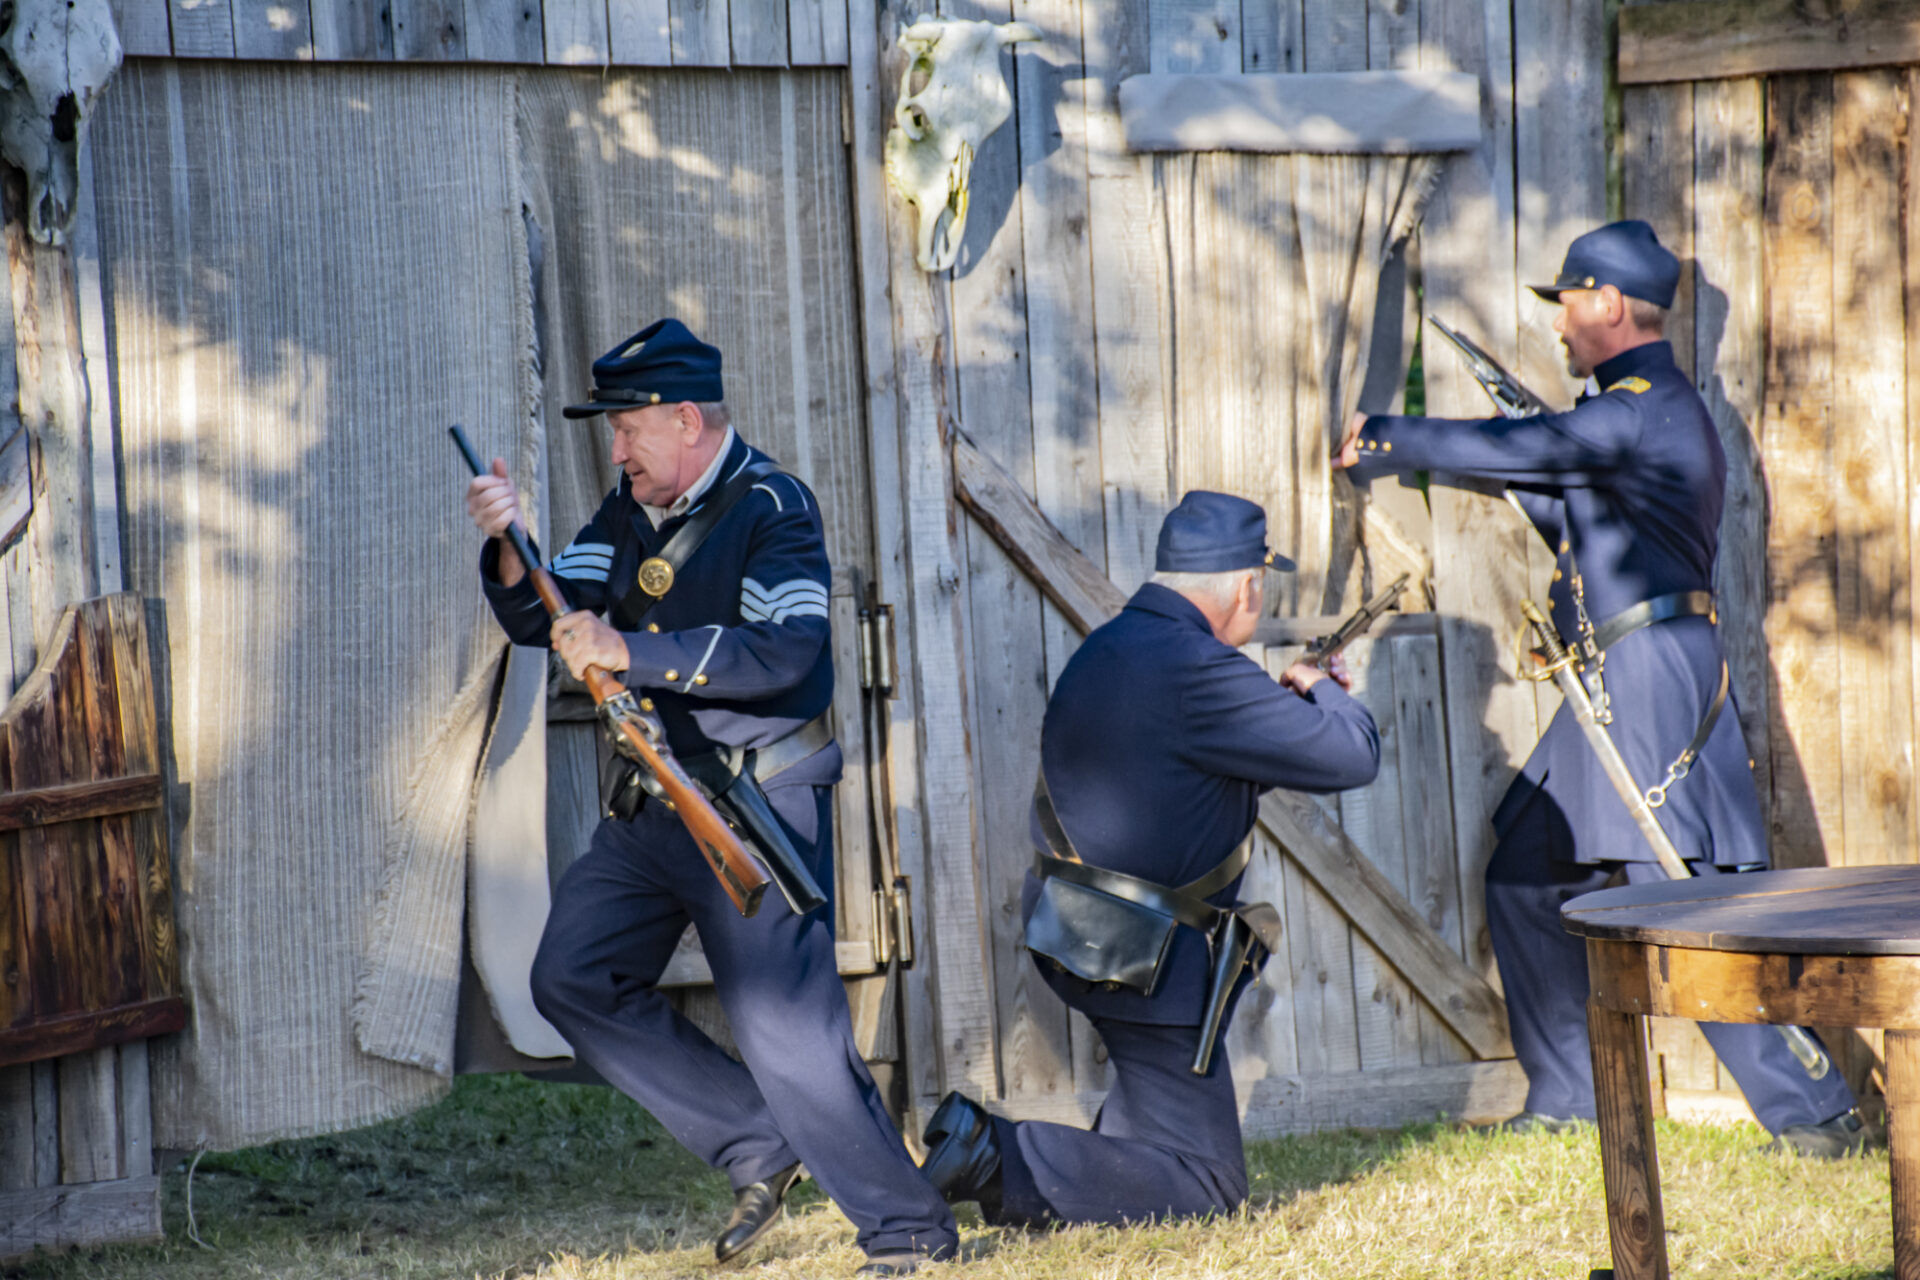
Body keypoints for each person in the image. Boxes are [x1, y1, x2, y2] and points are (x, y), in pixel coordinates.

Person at [1335, 220, 1866, 1156]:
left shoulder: (1640, 408)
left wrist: (1383, 436)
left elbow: (1537, 449)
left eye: (1570, 302)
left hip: (1651, 676)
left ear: (1611, 304)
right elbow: (1574, 509)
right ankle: (1572, 1094)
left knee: (1687, 899)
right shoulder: (1627, 418)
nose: (1560, 322)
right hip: (1617, 674)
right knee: (1527, 873)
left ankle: (1814, 1113)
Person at [465, 317, 957, 1274]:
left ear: (686, 420)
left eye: (628, 429)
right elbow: (548, 611)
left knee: (790, 1033)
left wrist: (631, 650)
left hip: (754, 800)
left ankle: (909, 1233)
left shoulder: (773, 506)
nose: (617, 449)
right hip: (657, 798)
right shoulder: (629, 507)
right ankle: (757, 1141)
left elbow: (786, 651)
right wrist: (508, 544)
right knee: (572, 976)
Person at [917, 491, 1381, 1225]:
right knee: (1208, 1188)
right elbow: (1354, 754)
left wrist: (1289, 712)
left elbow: (1188, 780)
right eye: (1263, 586)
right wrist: (1324, 690)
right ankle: (996, 1155)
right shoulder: (1199, 669)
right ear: (1247, 585)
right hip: (1150, 960)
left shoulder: (1110, 649)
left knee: (1153, 1133)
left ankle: (1065, 1179)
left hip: (1082, 933)